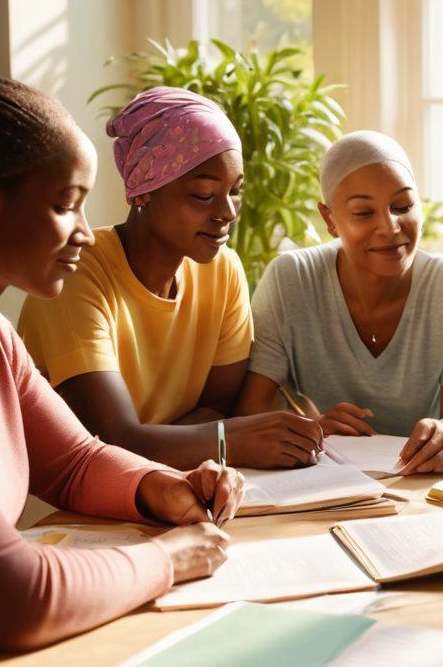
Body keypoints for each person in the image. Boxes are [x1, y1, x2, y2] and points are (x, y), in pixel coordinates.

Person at [0, 55, 315, 667]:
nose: (83, 231)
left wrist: (156, 487)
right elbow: (16, 596)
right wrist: (165, 557)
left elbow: (73, 460)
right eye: (67, 206)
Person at [19, 87, 323, 471]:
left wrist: (173, 444)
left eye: (235, 191)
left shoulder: (223, 270)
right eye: (203, 194)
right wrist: (229, 439)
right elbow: (114, 439)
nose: (227, 211)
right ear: (142, 192)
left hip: (178, 488)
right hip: (74, 515)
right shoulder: (76, 274)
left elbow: (218, 407)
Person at [236, 131, 443, 474]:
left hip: (418, 480)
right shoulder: (290, 279)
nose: (389, 227)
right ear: (329, 220)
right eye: (363, 212)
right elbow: (251, 413)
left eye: (403, 206)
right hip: (322, 479)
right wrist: (314, 428)